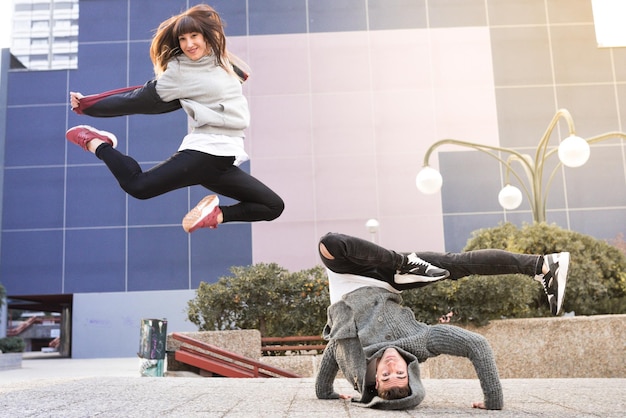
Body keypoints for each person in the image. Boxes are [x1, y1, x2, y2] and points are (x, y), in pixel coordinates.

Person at [65, 4, 284, 232]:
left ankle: (215, 215)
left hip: (224, 160)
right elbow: (136, 99)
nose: (189, 44)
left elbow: (224, 79)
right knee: (138, 186)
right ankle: (95, 142)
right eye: (182, 39)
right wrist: (89, 106)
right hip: (205, 152)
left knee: (272, 206)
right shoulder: (180, 71)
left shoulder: (220, 60)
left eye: (194, 36)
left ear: (207, 36)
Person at [315, 232, 569, 410]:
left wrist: (324, 391)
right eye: (400, 373)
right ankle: (543, 266)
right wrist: (493, 400)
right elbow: (477, 345)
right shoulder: (421, 343)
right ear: (410, 374)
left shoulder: (355, 361)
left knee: (331, 244)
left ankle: (407, 263)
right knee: (458, 264)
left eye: (386, 374)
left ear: (374, 377)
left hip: (349, 274)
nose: (392, 366)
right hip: (392, 278)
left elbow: (334, 348)